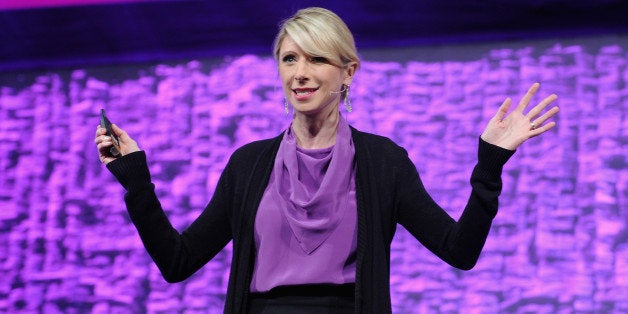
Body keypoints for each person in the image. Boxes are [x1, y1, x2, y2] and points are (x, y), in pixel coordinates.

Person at [95, 7, 559, 314]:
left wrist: (491, 163)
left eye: (316, 58)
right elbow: (178, 261)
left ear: (348, 72)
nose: (300, 73)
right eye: (289, 58)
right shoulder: (248, 165)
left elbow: (459, 251)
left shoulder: (383, 162)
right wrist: (137, 182)